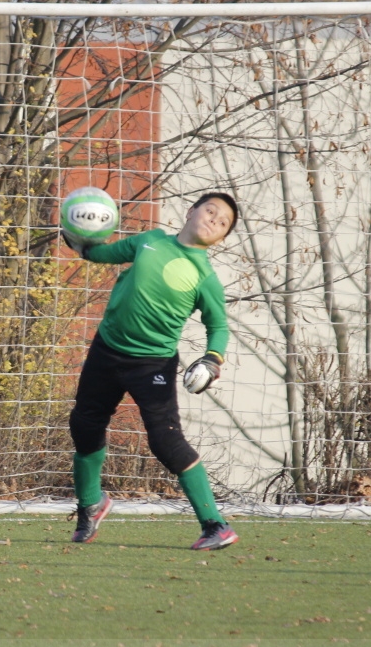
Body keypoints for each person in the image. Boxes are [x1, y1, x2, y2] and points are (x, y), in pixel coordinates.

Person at [63, 191, 239, 551]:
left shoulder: (205, 277)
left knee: (166, 442)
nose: (214, 221)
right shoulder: (150, 239)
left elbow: (219, 327)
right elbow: (100, 253)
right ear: (190, 212)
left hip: (152, 364)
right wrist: (75, 235)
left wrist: (212, 360)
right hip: (106, 350)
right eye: (210, 211)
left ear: (221, 238)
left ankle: (215, 525)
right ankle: (90, 504)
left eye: (222, 223)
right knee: (84, 425)